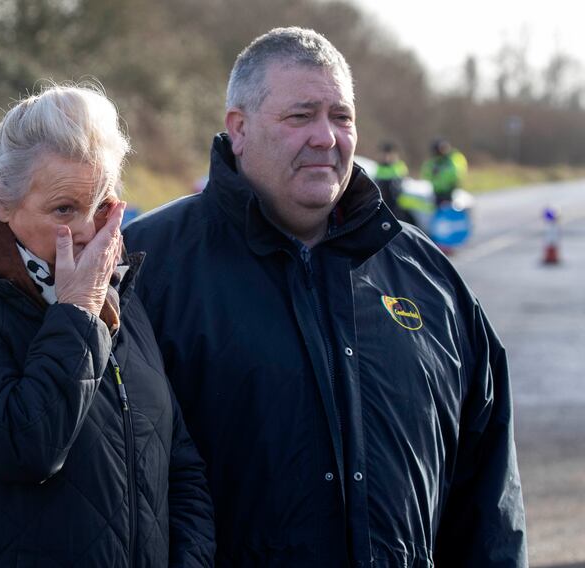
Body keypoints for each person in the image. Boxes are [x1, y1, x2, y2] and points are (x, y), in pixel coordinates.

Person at [124, 27, 526, 566]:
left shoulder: (430, 280)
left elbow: (489, 501)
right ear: (238, 129)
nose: (326, 137)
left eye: (341, 117)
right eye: (300, 116)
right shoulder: (145, 268)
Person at [0, 84, 215, 567]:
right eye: (64, 209)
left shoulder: (117, 292)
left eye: (103, 206)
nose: (88, 231)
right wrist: (78, 310)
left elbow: (179, 463)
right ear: (3, 203)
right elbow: (28, 447)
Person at [421, 137, 468, 207]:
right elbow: (426, 176)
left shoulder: (454, 158)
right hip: (438, 193)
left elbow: (458, 173)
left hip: (453, 190)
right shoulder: (432, 163)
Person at [374, 140, 409, 214]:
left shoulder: (399, 165)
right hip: (384, 197)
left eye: (388, 154)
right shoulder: (380, 166)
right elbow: (377, 181)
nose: (386, 157)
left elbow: (404, 179)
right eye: (384, 154)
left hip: (395, 198)